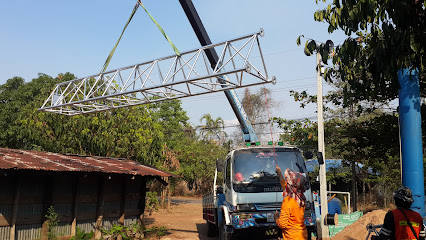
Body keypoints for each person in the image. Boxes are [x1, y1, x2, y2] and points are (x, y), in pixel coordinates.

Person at [274, 166, 308, 240]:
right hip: (302, 235)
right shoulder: (301, 197)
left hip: (292, 237)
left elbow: (282, 224)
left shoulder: (288, 201)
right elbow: (286, 187)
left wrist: (276, 218)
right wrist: (279, 174)